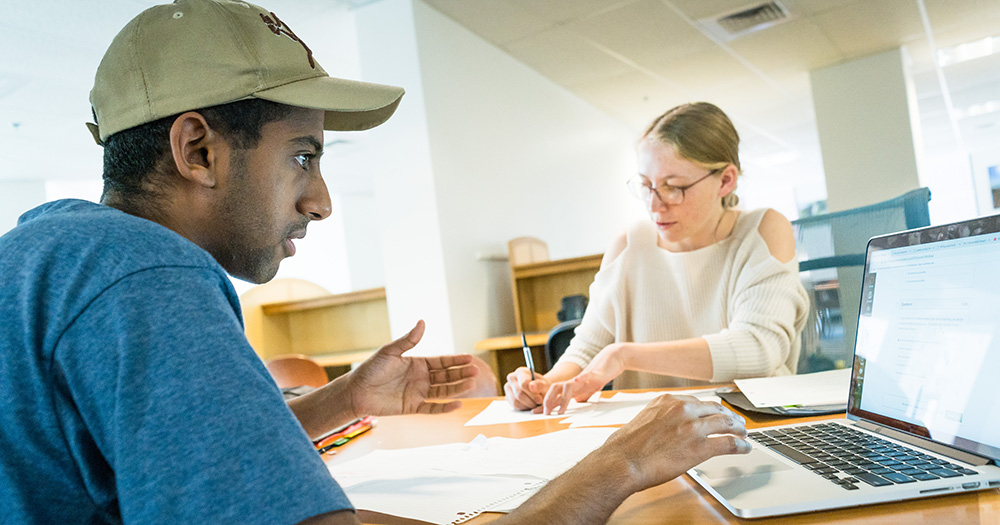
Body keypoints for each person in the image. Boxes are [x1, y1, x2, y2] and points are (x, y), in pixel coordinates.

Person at [0, 2, 750, 524]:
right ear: (198, 150)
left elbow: (187, 454)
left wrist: (345, 398)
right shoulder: (148, 279)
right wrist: (620, 461)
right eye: (302, 157)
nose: (321, 200)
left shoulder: (55, 256)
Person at [505, 102, 809, 415]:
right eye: (646, 185)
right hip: (652, 437)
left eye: (674, 187)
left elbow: (759, 349)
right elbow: (588, 348)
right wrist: (543, 385)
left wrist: (626, 355)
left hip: (750, 426)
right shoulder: (629, 245)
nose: (654, 205)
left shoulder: (762, 230)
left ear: (725, 180)